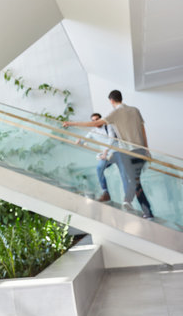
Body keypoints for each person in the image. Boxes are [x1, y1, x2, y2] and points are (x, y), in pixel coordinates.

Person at [63, 90, 154, 219]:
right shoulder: (135, 110)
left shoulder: (115, 113)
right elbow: (142, 129)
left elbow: (95, 124)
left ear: (111, 100)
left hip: (127, 152)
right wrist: (146, 148)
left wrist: (71, 123)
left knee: (134, 180)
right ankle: (144, 210)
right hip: (140, 150)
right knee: (135, 180)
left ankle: (131, 202)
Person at [77, 113, 118, 202]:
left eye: (97, 120)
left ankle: (107, 193)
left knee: (102, 168)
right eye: (93, 121)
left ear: (101, 119)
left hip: (115, 152)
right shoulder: (93, 131)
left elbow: (111, 139)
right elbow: (86, 138)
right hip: (106, 155)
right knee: (99, 168)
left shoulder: (108, 127)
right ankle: (105, 193)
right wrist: (80, 141)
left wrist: (106, 151)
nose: (95, 122)